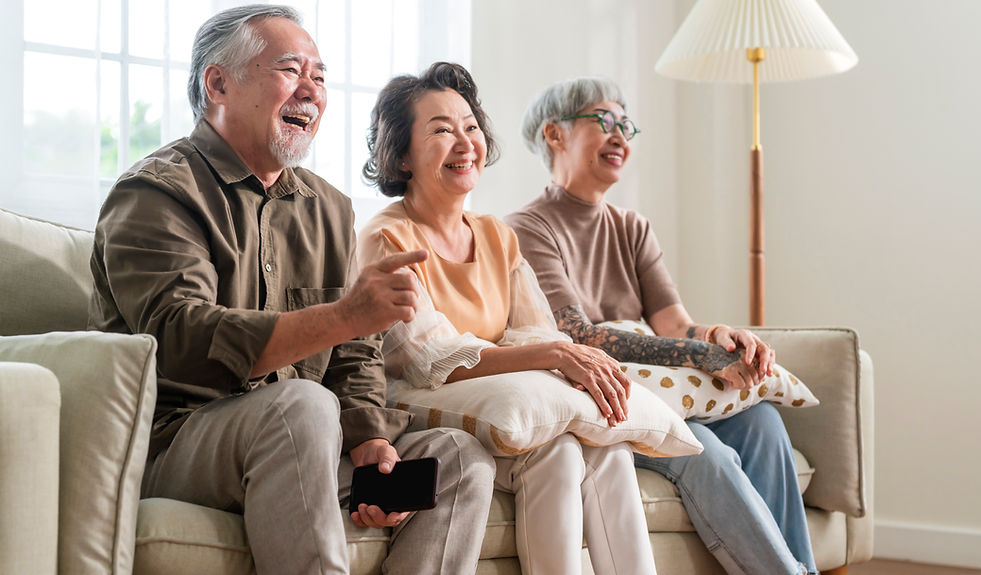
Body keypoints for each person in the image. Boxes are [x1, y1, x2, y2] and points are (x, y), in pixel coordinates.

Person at [87, 7, 495, 575]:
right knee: (301, 404)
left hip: (303, 435)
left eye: (321, 76)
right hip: (177, 441)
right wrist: (343, 316)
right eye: (290, 70)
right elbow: (178, 341)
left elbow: (354, 352)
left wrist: (368, 436)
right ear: (218, 83)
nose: (312, 90)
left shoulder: (329, 207)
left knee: (457, 456)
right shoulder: (156, 194)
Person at [505, 77, 817, 575]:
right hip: (606, 397)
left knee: (763, 425)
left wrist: (717, 336)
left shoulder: (632, 227)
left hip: (668, 391)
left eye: (626, 126)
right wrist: (700, 356)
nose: (620, 137)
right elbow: (578, 336)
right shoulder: (526, 227)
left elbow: (673, 322)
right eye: (603, 121)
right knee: (703, 450)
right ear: (554, 135)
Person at [357, 62, 658, 575]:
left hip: (511, 414)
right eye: (442, 130)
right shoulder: (388, 239)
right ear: (402, 154)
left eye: (471, 127)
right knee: (559, 448)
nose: (465, 142)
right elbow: (430, 358)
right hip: (425, 415)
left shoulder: (497, 235)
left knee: (601, 452)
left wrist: (553, 351)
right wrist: (555, 353)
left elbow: (534, 329)